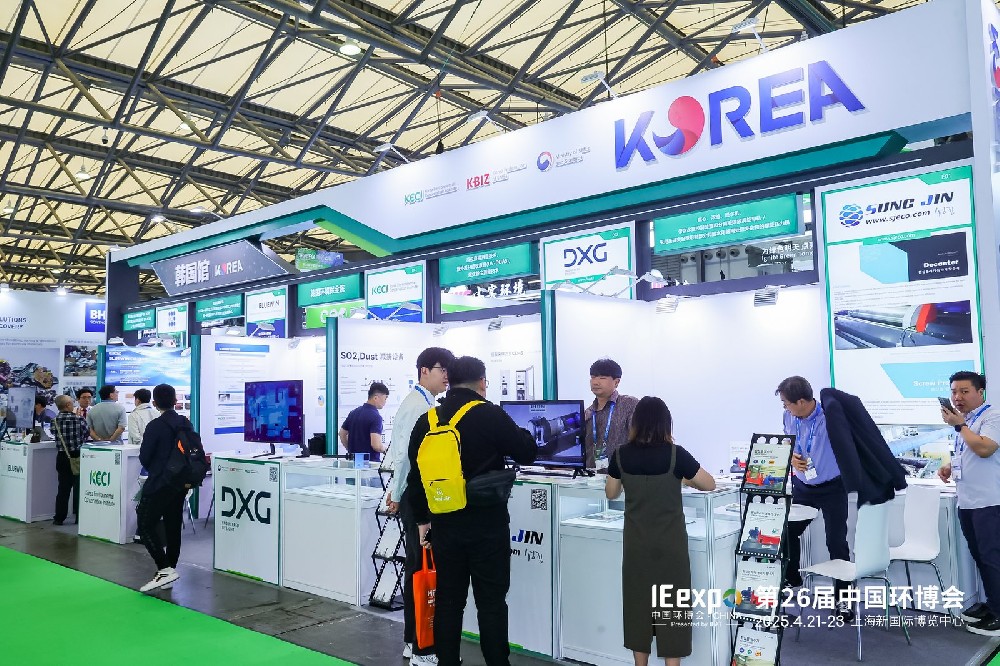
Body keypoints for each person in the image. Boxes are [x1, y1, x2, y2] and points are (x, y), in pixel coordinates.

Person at [406, 356, 537, 666]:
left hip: (444, 524)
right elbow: (527, 452)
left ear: (449, 381)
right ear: (482, 382)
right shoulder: (489, 414)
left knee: (449, 602)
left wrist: (423, 521)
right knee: (491, 603)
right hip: (487, 525)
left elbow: (416, 476)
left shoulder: (428, 420)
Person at [776, 376, 906, 622]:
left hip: (832, 487)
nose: (785, 408)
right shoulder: (788, 417)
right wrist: (792, 457)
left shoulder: (830, 418)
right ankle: (792, 579)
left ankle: (843, 600)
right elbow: (788, 443)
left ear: (801, 401)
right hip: (803, 486)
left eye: (787, 403)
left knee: (836, 541)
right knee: (788, 531)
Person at [605, 396, 715, 666]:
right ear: (666, 423)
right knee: (672, 607)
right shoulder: (676, 455)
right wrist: (685, 479)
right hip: (670, 546)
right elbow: (709, 484)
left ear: (635, 423)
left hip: (636, 546)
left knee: (637, 606)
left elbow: (611, 493)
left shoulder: (620, 454)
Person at [386, 347, 454, 665]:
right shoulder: (417, 407)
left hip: (415, 496)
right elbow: (405, 456)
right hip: (417, 499)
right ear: (424, 370)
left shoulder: (423, 403)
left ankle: (413, 641)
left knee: (417, 565)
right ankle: (420, 647)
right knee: (420, 570)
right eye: (443, 370)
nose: (447, 377)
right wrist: (397, 493)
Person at [938, 371, 1000, 637]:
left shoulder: (992, 416)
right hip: (967, 502)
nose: (957, 397)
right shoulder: (968, 420)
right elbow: (969, 453)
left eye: (964, 391)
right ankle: (993, 603)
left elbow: (985, 449)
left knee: (992, 558)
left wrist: (959, 425)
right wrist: (950, 466)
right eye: (954, 392)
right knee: (981, 557)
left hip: (990, 501)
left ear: (980, 392)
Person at [135, 383, 194, 592]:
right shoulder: (185, 423)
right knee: (173, 526)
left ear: (155, 403)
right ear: (175, 401)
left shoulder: (155, 426)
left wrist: (157, 469)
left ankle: (164, 568)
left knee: (144, 524)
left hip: (160, 482)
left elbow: (145, 456)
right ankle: (169, 571)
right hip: (180, 483)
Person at [584, 358, 639, 469]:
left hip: (621, 475)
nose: (595, 382)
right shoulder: (588, 413)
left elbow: (640, 441)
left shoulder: (630, 405)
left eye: (602, 378)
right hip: (591, 476)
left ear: (616, 382)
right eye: (593, 377)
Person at [51, 395, 87, 526]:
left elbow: (53, 434)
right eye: (72, 403)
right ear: (67, 405)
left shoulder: (54, 421)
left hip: (62, 457)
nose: (73, 405)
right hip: (77, 457)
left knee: (63, 489)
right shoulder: (79, 419)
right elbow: (86, 433)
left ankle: (59, 518)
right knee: (79, 488)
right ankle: (79, 516)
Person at [339, 382, 389, 461]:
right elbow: (376, 445)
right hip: (370, 463)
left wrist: (350, 450)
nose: (385, 402)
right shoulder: (376, 417)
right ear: (375, 398)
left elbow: (342, 434)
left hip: (354, 462)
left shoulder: (353, 413)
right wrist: (386, 450)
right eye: (385, 398)